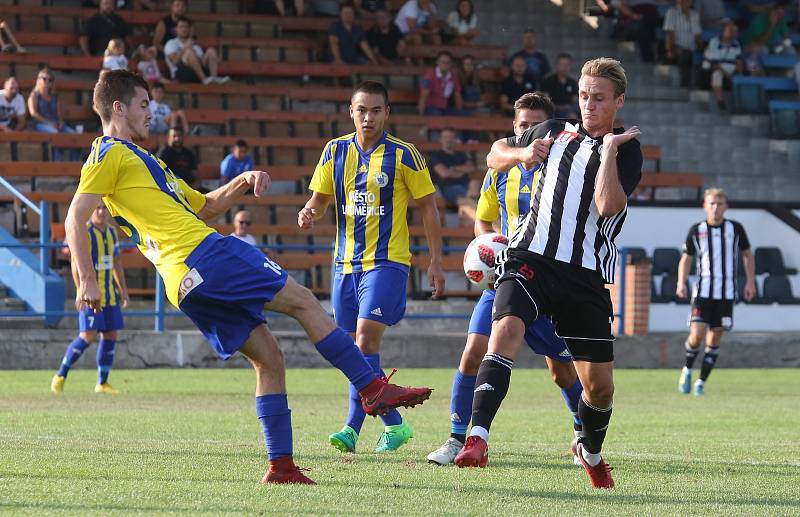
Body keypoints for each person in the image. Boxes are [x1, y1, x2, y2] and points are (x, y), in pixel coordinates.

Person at [66, 69, 433, 485]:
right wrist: (86, 281)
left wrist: (241, 180)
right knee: (304, 301)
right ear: (118, 107)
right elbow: (74, 218)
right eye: (144, 104)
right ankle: (372, 388)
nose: (152, 113)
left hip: (184, 284)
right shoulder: (108, 153)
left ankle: (281, 467)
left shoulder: (145, 161)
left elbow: (204, 207)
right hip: (206, 254)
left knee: (269, 360)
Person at [454, 58, 643, 491]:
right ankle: (476, 438)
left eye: (599, 98)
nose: (589, 105)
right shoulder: (553, 130)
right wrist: (522, 152)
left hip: (584, 274)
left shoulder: (627, 148)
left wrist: (609, 151)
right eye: (583, 96)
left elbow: (608, 205)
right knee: (503, 332)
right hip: (530, 257)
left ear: (618, 101)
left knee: (599, 388)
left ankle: (590, 452)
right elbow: (493, 154)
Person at [428, 93, 585, 466]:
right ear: (513, 128)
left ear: (551, 129)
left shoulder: (566, 170)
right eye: (521, 125)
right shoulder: (500, 169)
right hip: (506, 279)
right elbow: (484, 219)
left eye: (536, 125)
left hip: (549, 284)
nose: (528, 131)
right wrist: (489, 246)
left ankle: (583, 433)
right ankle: (456, 439)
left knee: (561, 371)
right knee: (472, 353)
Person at [298, 81, 445, 455]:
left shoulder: (405, 154)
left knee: (364, 342)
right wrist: (309, 212)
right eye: (362, 110)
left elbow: (428, 207)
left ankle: (351, 427)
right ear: (351, 111)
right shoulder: (335, 151)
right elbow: (320, 200)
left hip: (387, 262)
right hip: (344, 264)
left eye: (376, 110)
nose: (368, 117)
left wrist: (436, 262)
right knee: (352, 350)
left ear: (387, 114)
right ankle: (394, 424)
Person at [676, 188, 755, 396]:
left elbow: (747, 254)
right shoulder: (697, 230)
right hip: (703, 291)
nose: (715, 207)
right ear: (704, 205)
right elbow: (686, 258)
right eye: (711, 203)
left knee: (714, 339)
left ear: (726, 206)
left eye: (720, 203)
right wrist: (680, 282)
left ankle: (700, 382)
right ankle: (687, 369)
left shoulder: (736, 229)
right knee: (697, 334)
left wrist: (750, 282)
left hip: (727, 293)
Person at [52, 203, 128, 395]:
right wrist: (80, 289)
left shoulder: (111, 232)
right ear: (91, 210)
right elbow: (75, 263)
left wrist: (123, 291)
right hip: (91, 295)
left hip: (109, 295)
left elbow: (117, 262)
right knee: (88, 335)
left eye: (104, 208)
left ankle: (102, 383)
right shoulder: (84, 231)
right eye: (98, 208)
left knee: (110, 334)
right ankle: (61, 375)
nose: (102, 212)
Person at [28, 68, 81, 161]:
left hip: (56, 123)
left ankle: (74, 164)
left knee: (76, 137)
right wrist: (49, 123)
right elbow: (33, 113)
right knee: (56, 135)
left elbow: (58, 114)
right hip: (40, 124)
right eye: (44, 78)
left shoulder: (54, 96)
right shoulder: (34, 95)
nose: (47, 81)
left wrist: (60, 122)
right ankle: (57, 164)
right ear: (38, 80)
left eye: (50, 79)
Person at [164, 17, 230, 85]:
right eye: (181, 27)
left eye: (186, 27)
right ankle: (204, 79)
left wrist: (214, 58)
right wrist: (185, 48)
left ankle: (214, 78)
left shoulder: (195, 45)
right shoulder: (170, 43)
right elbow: (174, 61)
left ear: (189, 29)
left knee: (211, 51)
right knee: (188, 52)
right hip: (181, 73)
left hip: (196, 73)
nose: (184, 29)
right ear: (176, 29)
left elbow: (201, 62)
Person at [427, 128, 480, 206]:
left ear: (455, 139)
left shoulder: (461, 155)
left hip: (465, 184)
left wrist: (454, 168)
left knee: (474, 183)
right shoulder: (437, 156)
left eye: (451, 137)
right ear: (440, 139)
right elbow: (444, 173)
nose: (448, 140)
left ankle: (476, 210)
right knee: (469, 196)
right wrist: (462, 171)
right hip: (449, 187)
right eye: (446, 137)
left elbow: (471, 168)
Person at [702, 20, 742, 111]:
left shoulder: (736, 44)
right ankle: (720, 101)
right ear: (724, 31)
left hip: (730, 69)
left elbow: (739, 62)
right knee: (717, 74)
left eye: (735, 31)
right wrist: (728, 75)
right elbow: (715, 64)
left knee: (741, 76)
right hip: (713, 69)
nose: (733, 33)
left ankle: (740, 103)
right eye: (730, 31)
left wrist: (739, 74)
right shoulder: (715, 42)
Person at [663, 0, 702, 89]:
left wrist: (702, 48)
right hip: (677, 48)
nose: (685, 2)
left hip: (691, 49)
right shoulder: (672, 12)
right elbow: (669, 33)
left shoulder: (694, 14)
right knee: (686, 55)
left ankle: (699, 85)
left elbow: (697, 35)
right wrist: (670, 50)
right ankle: (686, 85)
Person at [418, 51, 463, 115]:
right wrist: (421, 116)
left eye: (448, 62)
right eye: (442, 62)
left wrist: (460, 112)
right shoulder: (430, 75)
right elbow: (423, 96)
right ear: (437, 62)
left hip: (445, 108)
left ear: (451, 64)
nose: (445, 64)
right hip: (430, 108)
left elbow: (457, 96)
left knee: (466, 115)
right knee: (437, 115)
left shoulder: (454, 76)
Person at [542, 53, 579, 119]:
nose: (564, 67)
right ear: (557, 65)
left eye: (567, 65)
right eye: (562, 64)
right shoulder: (548, 81)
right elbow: (546, 99)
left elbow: (575, 100)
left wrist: (570, 109)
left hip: (567, 111)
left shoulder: (572, 82)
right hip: (553, 110)